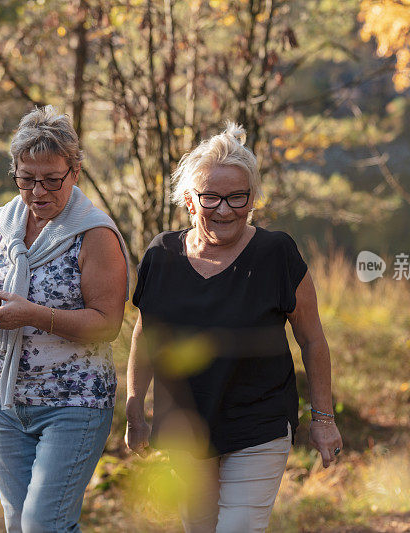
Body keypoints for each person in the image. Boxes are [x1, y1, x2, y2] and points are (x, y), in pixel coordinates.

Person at [125, 122, 342, 532]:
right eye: (211, 197)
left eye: (237, 197)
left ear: (252, 199)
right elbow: (144, 335)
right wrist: (135, 406)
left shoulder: (276, 253)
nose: (225, 209)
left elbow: (312, 339)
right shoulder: (161, 255)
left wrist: (324, 418)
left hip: (258, 424)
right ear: (190, 201)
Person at [0, 105, 129, 532]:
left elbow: (108, 323)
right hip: (6, 401)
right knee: (18, 524)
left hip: (73, 404)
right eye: (26, 179)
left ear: (74, 171)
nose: (38, 192)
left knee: (43, 524)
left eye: (52, 179)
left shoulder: (95, 234)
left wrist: (33, 315)